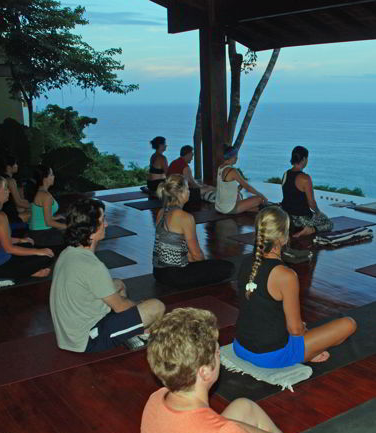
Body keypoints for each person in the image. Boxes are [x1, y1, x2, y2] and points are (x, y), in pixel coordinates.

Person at [138, 307, 353, 433]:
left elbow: (224, 432)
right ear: (204, 371)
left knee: (244, 406)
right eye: (216, 352)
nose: (219, 355)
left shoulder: (157, 398)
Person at [234, 206, 356, 367]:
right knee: (348, 324)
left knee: (299, 327)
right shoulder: (286, 275)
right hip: (269, 356)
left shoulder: (245, 262)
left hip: (240, 347)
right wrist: (304, 334)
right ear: (284, 238)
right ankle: (306, 353)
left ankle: (307, 351)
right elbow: (295, 330)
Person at [49, 198, 165, 353]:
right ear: (91, 229)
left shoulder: (68, 253)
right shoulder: (93, 266)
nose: (107, 224)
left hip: (70, 335)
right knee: (156, 307)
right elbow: (121, 308)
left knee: (117, 284)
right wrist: (141, 307)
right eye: (102, 220)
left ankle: (134, 333)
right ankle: (140, 334)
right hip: (87, 340)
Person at [152, 175, 235, 290]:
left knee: (202, 263)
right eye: (187, 188)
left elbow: (175, 247)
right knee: (228, 268)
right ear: (180, 193)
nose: (189, 191)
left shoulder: (161, 212)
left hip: (158, 273)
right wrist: (205, 266)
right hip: (175, 276)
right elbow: (196, 254)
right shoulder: (185, 217)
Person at [0, 175, 53, 278]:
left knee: (28, 245)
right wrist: (39, 252)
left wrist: (21, 241)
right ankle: (30, 273)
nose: (9, 191)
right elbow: (9, 249)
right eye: (5, 188)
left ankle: (28, 271)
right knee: (47, 257)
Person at [280, 146, 333, 238]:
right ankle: (310, 230)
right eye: (307, 158)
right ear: (304, 159)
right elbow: (311, 203)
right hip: (301, 219)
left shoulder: (285, 174)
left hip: (286, 215)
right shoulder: (305, 178)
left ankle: (302, 228)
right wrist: (318, 212)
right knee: (329, 223)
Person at [215, 146, 267, 214]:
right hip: (228, 208)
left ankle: (250, 209)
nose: (237, 158)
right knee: (259, 199)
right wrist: (262, 196)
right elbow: (247, 187)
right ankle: (252, 208)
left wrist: (239, 187)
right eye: (235, 156)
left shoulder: (220, 167)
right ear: (231, 157)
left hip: (219, 207)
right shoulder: (232, 171)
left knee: (240, 195)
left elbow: (226, 187)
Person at [29, 166, 66, 244]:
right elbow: (48, 222)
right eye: (51, 174)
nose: (54, 176)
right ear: (45, 178)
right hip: (41, 234)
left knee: (63, 222)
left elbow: (42, 214)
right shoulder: (45, 196)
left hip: (38, 232)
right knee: (75, 235)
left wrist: (55, 217)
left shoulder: (42, 191)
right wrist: (69, 227)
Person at [0, 156, 30, 223]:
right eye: (15, 164)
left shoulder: (1, 178)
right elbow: (18, 202)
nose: (17, 166)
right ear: (9, 167)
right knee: (35, 213)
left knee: (24, 209)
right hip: (8, 213)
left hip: (4, 210)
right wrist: (36, 206)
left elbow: (20, 200)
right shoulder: (10, 180)